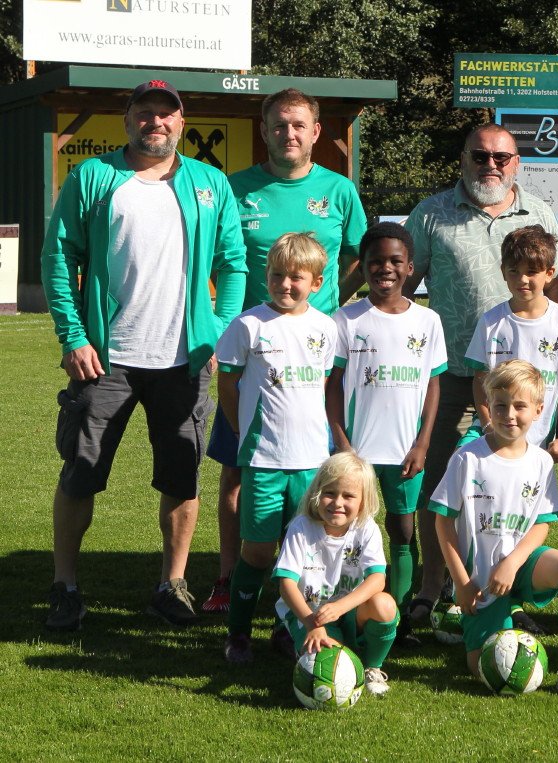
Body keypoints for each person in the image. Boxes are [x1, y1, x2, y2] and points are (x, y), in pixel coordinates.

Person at [41, 79, 247, 631]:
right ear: (128, 119)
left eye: (166, 113)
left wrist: (217, 333)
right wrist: (73, 336)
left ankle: (171, 585)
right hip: (105, 358)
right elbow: (59, 256)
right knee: (80, 473)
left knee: (182, 478)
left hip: (183, 360)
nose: (156, 122)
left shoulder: (209, 183)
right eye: (145, 112)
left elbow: (232, 263)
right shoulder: (93, 176)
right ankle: (65, 586)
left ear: (182, 123)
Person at [203, 88, 369, 613]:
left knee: (316, 473)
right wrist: (225, 324)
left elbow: (360, 256)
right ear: (265, 130)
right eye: (279, 124)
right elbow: (216, 259)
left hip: (316, 356)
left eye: (298, 125)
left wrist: (332, 304)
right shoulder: (236, 189)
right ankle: (229, 576)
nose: (288, 133)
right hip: (255, 357)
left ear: (315, 132)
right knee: (238, 469)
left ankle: (303, 585)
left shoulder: (339, 190)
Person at [405, 124, 558, 626]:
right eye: (480, 156)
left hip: (521, 395)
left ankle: (506, 594)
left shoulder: (540, 214)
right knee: (442, 488)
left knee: (512, 493)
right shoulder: (431, 213)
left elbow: (557, 298)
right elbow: (401, 287)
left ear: (516, 162)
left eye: (501, 157)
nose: (490, 165)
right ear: (463, 159)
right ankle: (433, 586)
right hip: (452, 377)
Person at [428, 361, 558, 700]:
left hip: (521, 564)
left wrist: (512, 562)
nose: (509, 415)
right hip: (481, 579)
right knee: (483, 668)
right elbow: (443, 522)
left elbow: (541, 523)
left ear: (538, 410)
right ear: (488, 406)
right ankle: (500, 614)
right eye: (500, 405)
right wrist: (462, 583)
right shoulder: (468, 458)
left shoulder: (541, 461)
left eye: (520, 406)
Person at [217, 233, 337, 663]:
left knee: (301, 553)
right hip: (264, 460)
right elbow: (227, 383)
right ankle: (238, 634)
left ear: (316, 283)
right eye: (277, 275)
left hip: (312, 462)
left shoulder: (326, 328)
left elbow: (323, 385)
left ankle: (286, 628)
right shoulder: (248, 325)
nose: (285, 284)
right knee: (257, 551)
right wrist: (241, 431)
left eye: (296, 277)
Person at [327, 222, 446, 646]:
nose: (386, 269)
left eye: (396, 261)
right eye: (376, 261)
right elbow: (332, 386)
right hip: (356, 452)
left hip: (405, 452)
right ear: (363, 267)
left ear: (411, 267)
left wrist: (422, 443)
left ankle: (396, 618)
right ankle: (344, 613)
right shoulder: (346, 319)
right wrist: (342, 444)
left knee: (403, 531)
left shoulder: (428, 321)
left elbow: (432, 385)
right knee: (347, 531)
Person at [275, 451, 398, 697]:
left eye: (348, 496)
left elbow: (377, 579)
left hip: (348, 611)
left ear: (363, 501)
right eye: (330, 493)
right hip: (308, 614)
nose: (337, 503)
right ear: (317, 493)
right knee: (330, 666)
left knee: (384, 605)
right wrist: (312, 623)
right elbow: (286, 584)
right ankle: (297, 640)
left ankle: (373, 667)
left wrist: (341, 607)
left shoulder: (366, 528)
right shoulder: (301, 527)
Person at [465, 224, 558, 459]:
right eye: (514, 271)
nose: (522, 279)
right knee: (462, 460)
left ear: (549, 273)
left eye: (532, 271)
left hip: (538, 442)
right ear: (503, 271)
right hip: (492, 435)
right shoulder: (491, 321)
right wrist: (487, 425)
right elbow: (480, 379)